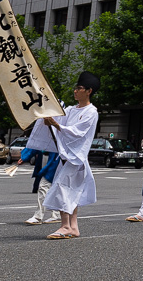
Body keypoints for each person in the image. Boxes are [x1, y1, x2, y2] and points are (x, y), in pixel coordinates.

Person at [24, 71, 100, 239]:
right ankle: (73, 227)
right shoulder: (72, 109)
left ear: (89, 91)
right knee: (69, 191)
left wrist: (56, 125)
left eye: (79, 88)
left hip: (75, 158)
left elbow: (77, 132)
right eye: (75, 88)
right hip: (67, 157)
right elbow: (60, 121)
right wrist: (49, 120)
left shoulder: (91, 112)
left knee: (62, 189)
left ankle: (65, 226)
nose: (75, 91)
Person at [17, 144, 61, 225]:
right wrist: (25, 157)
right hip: (50, 157)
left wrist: (25, 156)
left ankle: (38, 216)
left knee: (44, 186)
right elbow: (37, 143)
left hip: (55, 158)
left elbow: (36, 142)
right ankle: (56, 215)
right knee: (55, 188)